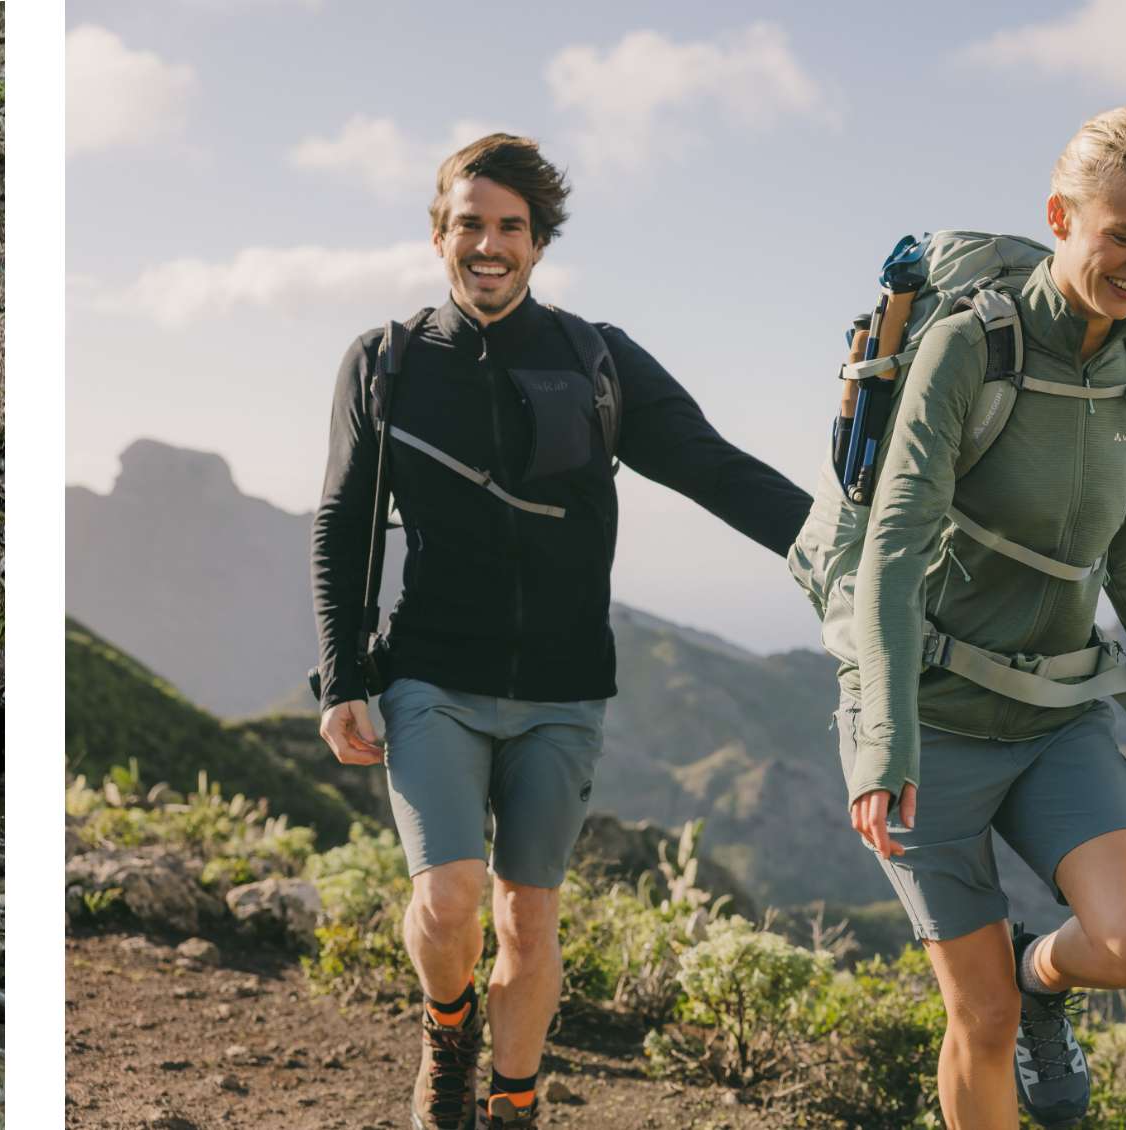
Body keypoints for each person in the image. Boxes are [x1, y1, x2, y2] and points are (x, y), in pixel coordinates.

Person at [309, 133, 814, 1129]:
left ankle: (516, 1095)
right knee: (450, 896)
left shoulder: (596, 360)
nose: (488, 245)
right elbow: (340, 522)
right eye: (470, 224)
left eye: (511, 228)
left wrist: (838, 548)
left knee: (527, 915)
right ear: (438, 233)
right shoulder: (386, 362)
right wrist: (339, 674)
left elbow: (714, 466)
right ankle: (447, 1026)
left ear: (539, 244)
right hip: (431, 676)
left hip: (563, 686)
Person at [837, 106, 1126, 1128]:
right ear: (1061, 214)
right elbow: (892, 547)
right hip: (930, 722)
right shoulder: (968, 348)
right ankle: (1009, 997)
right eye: (1124, 234)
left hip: (1055, 714)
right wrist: (884, 739)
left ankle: (1044, 976)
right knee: (977, 1020)